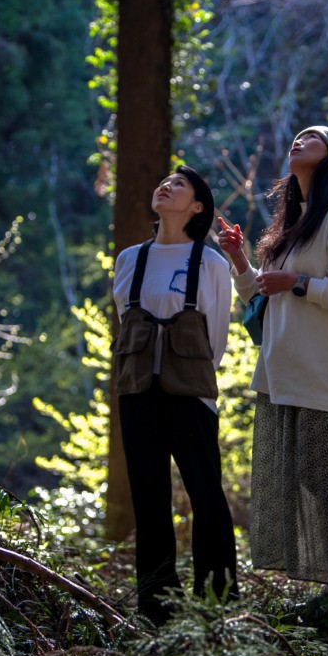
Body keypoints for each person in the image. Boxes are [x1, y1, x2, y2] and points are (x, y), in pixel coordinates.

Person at [217, 126, 328, 621]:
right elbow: (261, 300)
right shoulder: (296, 223)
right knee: (310, 472)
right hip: (286, 370)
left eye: (314, 138)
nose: (299, 139)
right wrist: (240, 259)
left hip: (324, 371)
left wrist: (299, 281)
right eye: (299, 135)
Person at [112, 166, 238, 626]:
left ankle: (216, 606)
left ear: (198, 206)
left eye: (179, 184)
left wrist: (193, 382)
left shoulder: (210, 263)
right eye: (162, 180)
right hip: (137, 394)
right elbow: (129, 323)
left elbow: (216, 340)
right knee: (149, 500)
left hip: (191, 396)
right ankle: (156, 610)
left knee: (206, 497)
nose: (165, 185)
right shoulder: (129, 259)